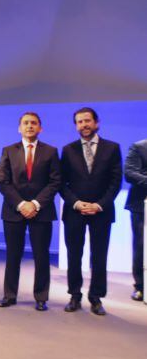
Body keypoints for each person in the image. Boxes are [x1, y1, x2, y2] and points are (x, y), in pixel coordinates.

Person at [60, 107, 122, 316]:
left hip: (101, 212)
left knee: (99, 256)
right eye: (79, 122)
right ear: (76, 126)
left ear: (97, 123)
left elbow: (115, 182)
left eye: (87, 121)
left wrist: (99, 204)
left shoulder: (112, 148)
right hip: (74, 211)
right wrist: (76, 203)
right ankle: (74, 295)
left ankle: (96, 297)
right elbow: (62, 183)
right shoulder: (68, 150)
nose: (84, 125)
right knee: (74, 255)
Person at [0, 112, 61, 311]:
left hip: (41, 211)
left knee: (41, 256)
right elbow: (3, 181)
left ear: (40, 128)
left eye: (34, 123)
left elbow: (55, 181)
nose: (29, 126)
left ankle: (41, 297)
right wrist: (21, 204)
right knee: (13, 255)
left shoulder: (51, 151)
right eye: (25, 123)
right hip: (14, 210)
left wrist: (34, 204)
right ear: (19, 128)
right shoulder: (8, 150)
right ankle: (9, 295)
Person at [125, 138, 147, 302]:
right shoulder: (139, 147)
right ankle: (140, 287)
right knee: (141, 246)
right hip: (142, 205)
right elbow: (130, 173)